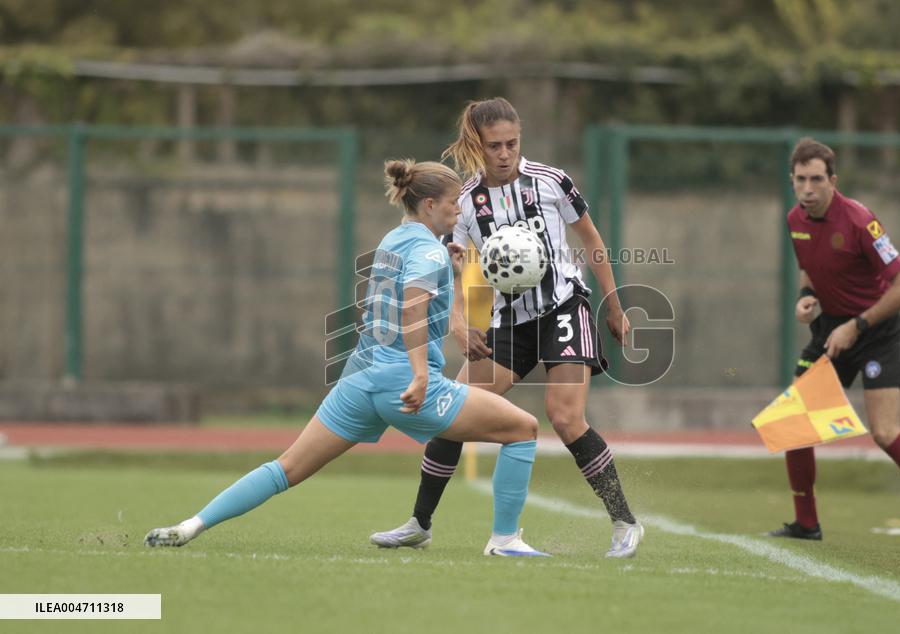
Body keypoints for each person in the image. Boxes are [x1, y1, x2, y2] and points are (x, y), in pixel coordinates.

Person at [145, 159, 550, 557]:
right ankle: (504, 540)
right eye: (452, 203)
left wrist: (457, 273)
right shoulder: (428, 251)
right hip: (402, 382)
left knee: (286, 468)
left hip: (361, 379)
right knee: (523, 428)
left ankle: (190, 526)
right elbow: (413, 309)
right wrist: (420, 375)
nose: (458, 210)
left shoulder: (394, 240)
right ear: (429, 205)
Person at [369, 97, 643, 558]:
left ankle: (624, 522)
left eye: (512, 143)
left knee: (565, 417)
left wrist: (614, 305)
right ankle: (420, 523)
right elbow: (453, 266)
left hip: (563, 308)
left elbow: (591, 240)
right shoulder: (467, 201)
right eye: (494, 145)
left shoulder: (553, 182)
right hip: (510, 321)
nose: (504, 153)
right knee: (450, 410)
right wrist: (458, 321)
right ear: (479, 144)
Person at [769, 137, 900, 550]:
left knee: (884, 432)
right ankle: (807, 524)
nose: (808, 189)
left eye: (817, 179)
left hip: (875, 332)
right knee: (794, 425)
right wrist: (806, 301)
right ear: (792, 181)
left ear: (833, 180)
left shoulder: (860, 221)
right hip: (830, 332)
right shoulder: (794, 221)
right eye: (801, 179)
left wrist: (855, 326)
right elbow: (810, 273)